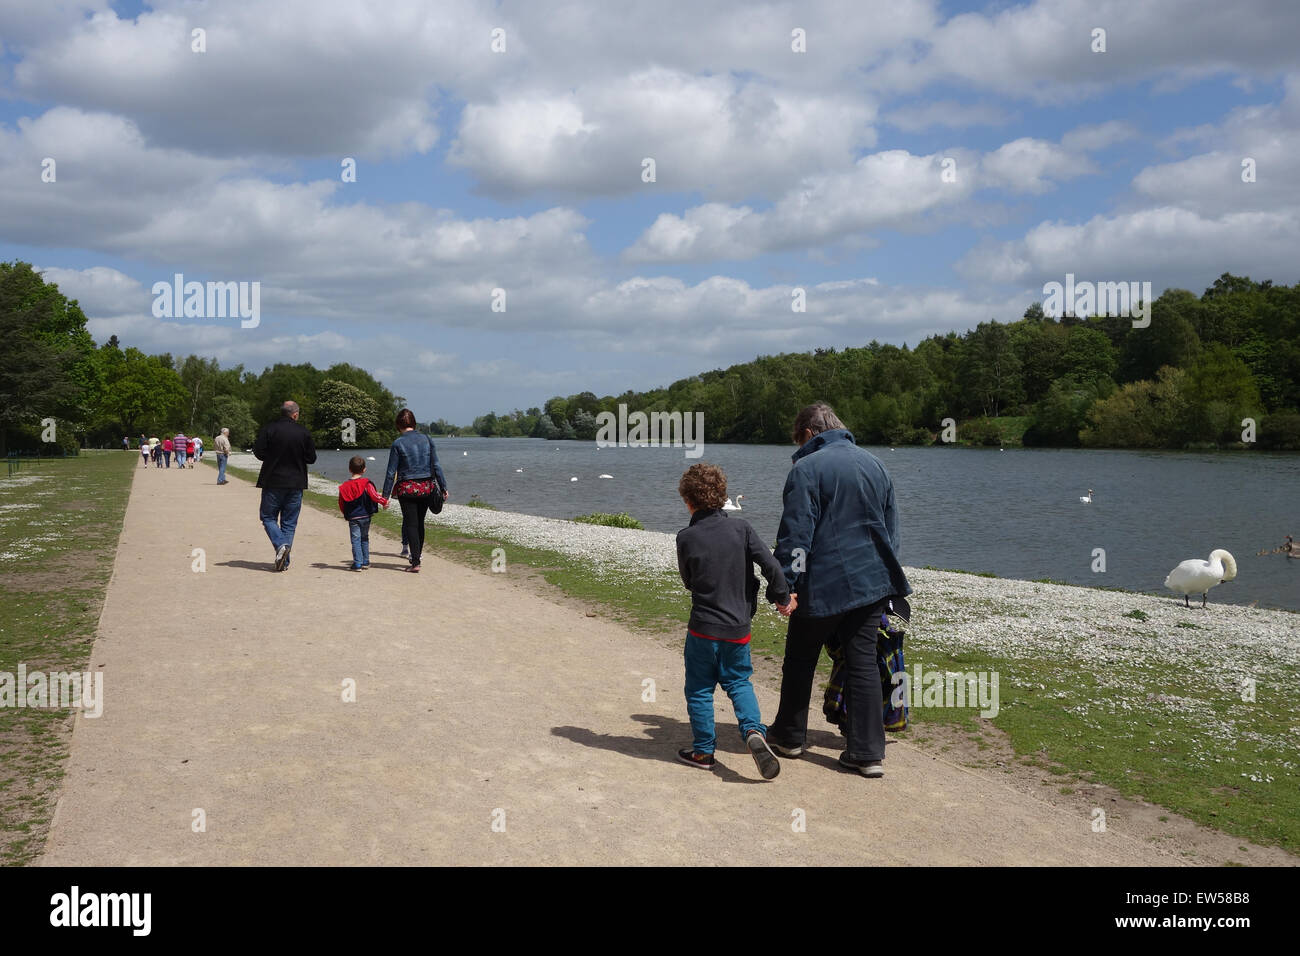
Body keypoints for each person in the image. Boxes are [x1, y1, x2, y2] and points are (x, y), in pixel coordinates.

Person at [768, 403, 912, 779]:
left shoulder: (806, 469)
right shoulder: (876, 464)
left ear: (809, 433)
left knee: (800, 659)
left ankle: (789, 736)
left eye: (798, 440)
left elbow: (797, 535)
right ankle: (867, 753)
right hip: (872, 582)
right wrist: (887, 579)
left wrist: (786, 585)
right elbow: (891, 530)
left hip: (823, 583)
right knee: (862, 661)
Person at [675, 463, 791, 777]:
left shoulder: (686, 537)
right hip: (738, 629)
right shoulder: (742, 529)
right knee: (739, 683)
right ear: (722, 496)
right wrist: (782, 598)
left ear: (688, 501)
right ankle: (753, 731)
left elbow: (688, 581)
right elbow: (772, 566)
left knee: (700, 690)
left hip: (702, 629)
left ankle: (703, 752)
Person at [252, 400, 317, 572]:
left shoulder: (269, 429)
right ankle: (284, 559)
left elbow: (258, 452)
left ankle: (281, 547)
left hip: (272, 480)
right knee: (289, 523)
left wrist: (272, 457)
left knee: (268, 517)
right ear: (295, 414)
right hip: (296, 482)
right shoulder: (303, 432)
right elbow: (311, 458)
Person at [382, 409, 447, 573]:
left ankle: (415, 561)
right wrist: (443, 487)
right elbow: (436, 465)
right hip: (426, 487)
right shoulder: (427, 439)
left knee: (411, 524)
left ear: (398, 425)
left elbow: (391, 472)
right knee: (420, 523)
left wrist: (385, 496)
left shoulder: (397, 443)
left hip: (407, 489)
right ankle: (417, 556)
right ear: (414, 423)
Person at [338, 456, 390, 570]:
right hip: (366, 515)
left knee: (355, 539)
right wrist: (384, 502)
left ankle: (357, 563)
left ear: (349, 469)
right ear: (364, 469)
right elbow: (374, 496)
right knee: (364, 538)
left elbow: (341, 503)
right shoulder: (366, 483)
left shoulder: (344, 487)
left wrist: (345, 513)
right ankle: (365, 561)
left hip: (353, 517)